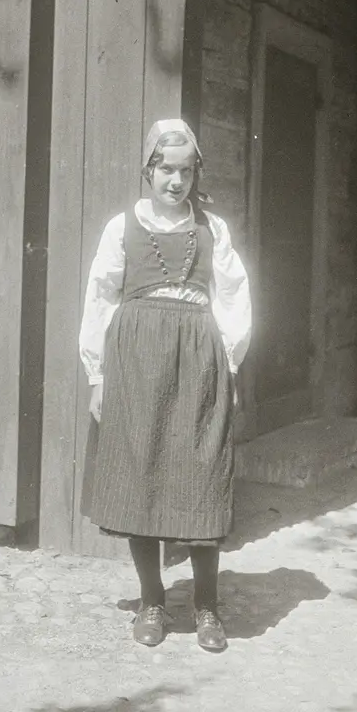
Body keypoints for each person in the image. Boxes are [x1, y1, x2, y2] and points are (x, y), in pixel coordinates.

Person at [78, 118, 252, 651]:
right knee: (142, 473)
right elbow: (100, 297)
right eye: (166, 170)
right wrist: (97, 374)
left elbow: (233, 298)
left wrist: (230, 365)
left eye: (186, 171)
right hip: (135, 361)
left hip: (199, 359)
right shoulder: (120, 228)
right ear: (148, 171)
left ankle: (206, 606)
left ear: (197, 174)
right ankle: (151, 600)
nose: (176, 181)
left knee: (202, 476)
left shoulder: (212, 229)